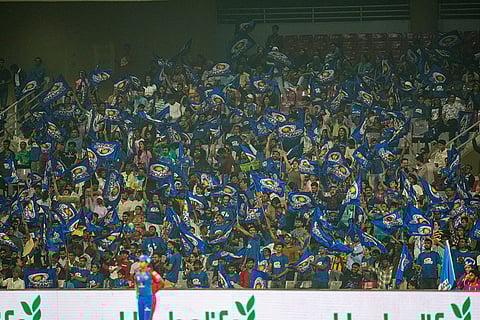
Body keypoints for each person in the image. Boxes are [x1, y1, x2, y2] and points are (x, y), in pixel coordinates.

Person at [135, 255, 164, 320]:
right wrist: (137, 292)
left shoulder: (152, 272)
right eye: (139, 261)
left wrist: (154, 291)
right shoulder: (137, 274)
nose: (140, 263)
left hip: (149, 297)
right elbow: (136, 283)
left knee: (148, 318)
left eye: (142, 262)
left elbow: (161, 282)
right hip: (141, 297)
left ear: (147, 263)